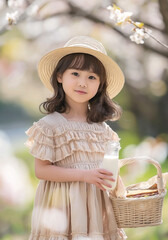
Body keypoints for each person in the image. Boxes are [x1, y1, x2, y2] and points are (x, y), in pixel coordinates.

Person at [25, 35, 126, 240]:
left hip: (96, 209)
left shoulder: (103, 130)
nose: (82, 83)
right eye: (76, 73)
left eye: (92, 77)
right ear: (60, 76)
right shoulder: (49, 126)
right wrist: (84, 175)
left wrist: (120, 185)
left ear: (100, 84)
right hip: (62, 207)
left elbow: (108, 171)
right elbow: (41, 170)